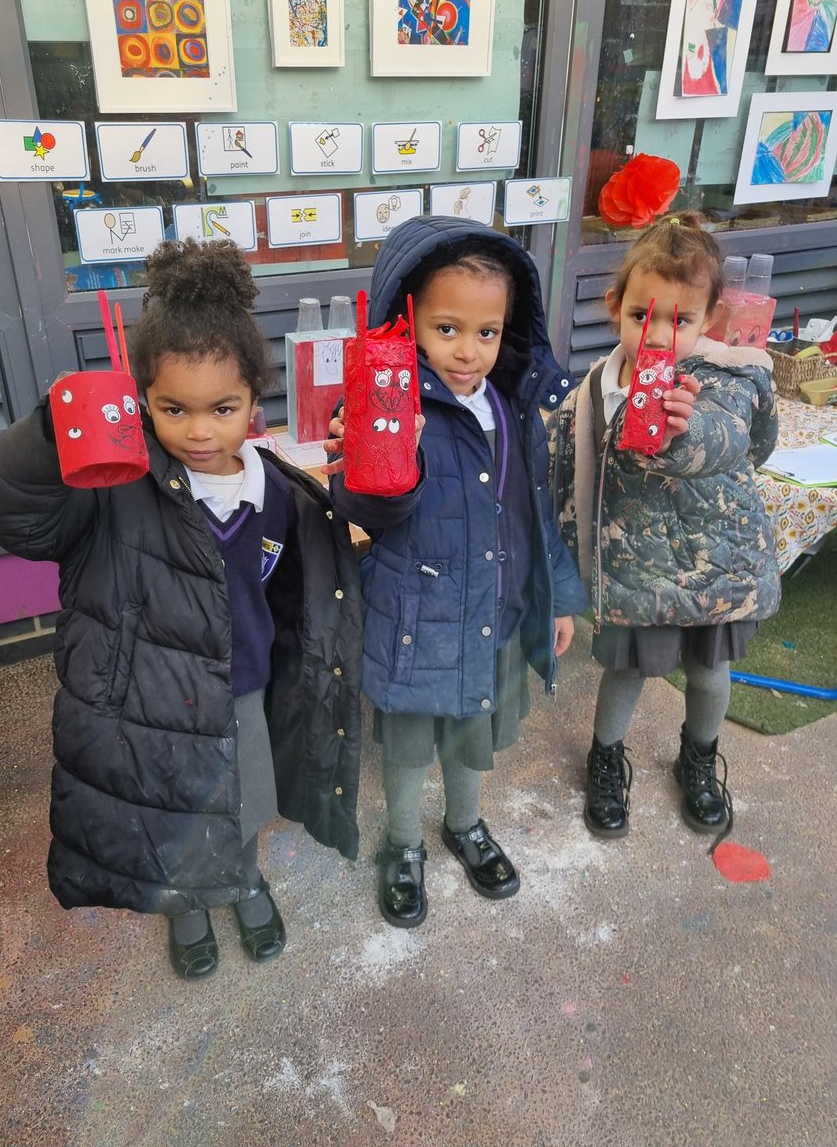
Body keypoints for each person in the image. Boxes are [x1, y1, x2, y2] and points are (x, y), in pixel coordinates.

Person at [0, 238, 363, 980]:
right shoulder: (112, 484)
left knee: (243, 798)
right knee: (170, 811)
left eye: (224, 408)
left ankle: (244, 882)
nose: (199, 430)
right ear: (143, 400)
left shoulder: (275, 490)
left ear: (255, 400)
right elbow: (9, 513)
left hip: (243, 685)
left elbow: (303, 583)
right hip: (148, 700)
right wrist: (50, 433)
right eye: (173, 408)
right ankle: (184, 906)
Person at [324, 215, 586, 928]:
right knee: (408, 750)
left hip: (491, 614)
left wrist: (556, 597)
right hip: (414, 620)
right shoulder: (386, 403)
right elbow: (358, 508)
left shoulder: (511, 403)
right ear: (406, 321)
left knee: (474, 739)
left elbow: (536, 508)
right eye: (446, 329)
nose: (468, 351)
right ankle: (403, 843)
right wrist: (388, 454)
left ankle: (464, 824)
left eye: (487, 332)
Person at [551, 213, 780, 847]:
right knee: (625, 673)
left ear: (709, 321)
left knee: (709, 674)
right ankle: (606, 758)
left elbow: (733, 440)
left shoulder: (723, 380)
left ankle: (699, 756)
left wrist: (683, 434)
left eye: (679, 321)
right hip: (637, 571)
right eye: (641, 316)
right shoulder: (595, 388)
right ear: (614, 307)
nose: (657, 334)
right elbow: (568, 469)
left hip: (716, 569)